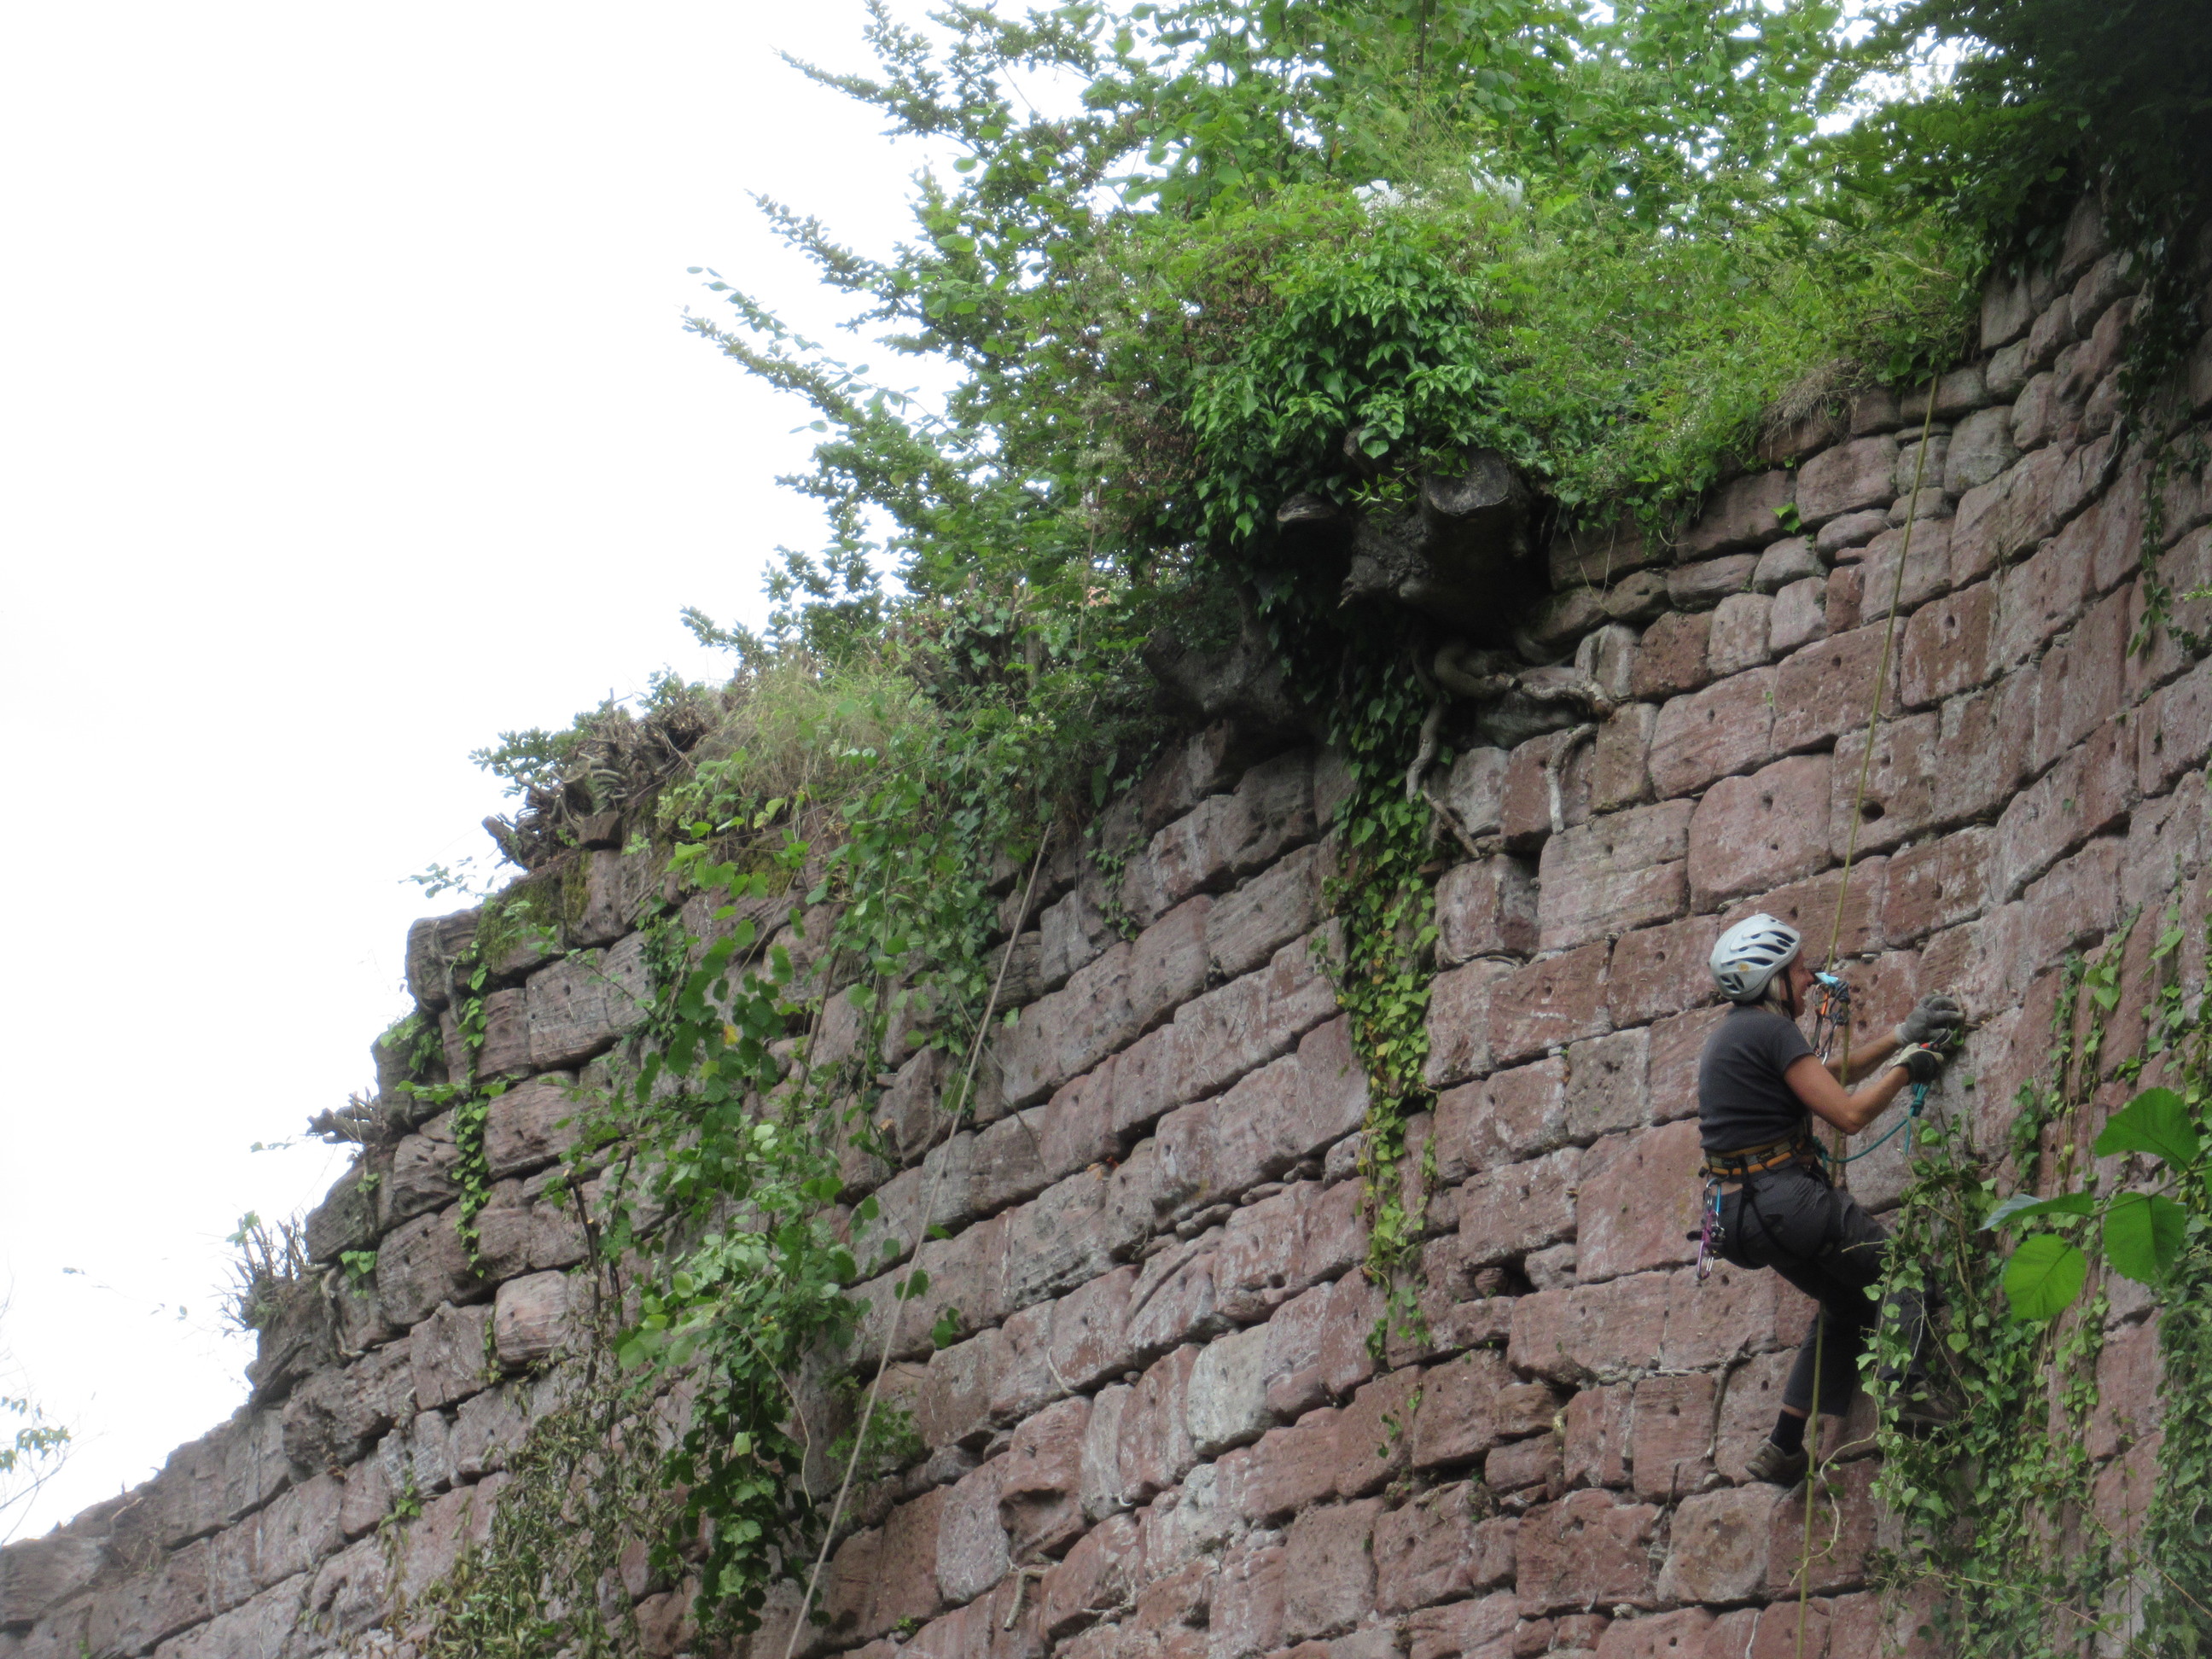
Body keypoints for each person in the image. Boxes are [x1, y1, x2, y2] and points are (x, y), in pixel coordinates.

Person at [1697, 912, 1962, 1486]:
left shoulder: (1735, 1035)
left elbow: (1822, 1076)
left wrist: (1899, 1035)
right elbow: (1847, 1115)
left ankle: (1784, 1444)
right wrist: (1908, 1069)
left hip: (1737, 1218)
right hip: (1786, 1200)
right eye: (1798, 970)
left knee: (1846, 1302)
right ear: (1771, 981)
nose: (1811, 979)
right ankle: (1906, 1393)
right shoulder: (1771, 1030)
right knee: (1903, 1272)